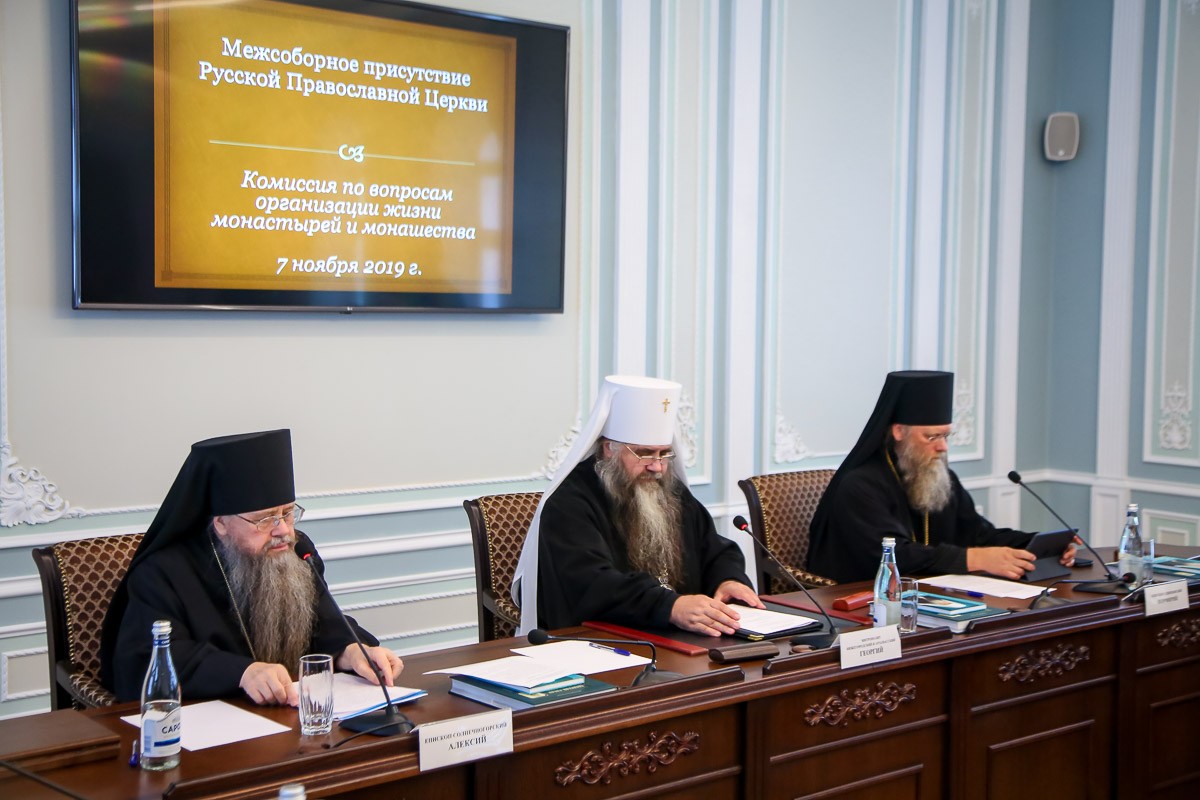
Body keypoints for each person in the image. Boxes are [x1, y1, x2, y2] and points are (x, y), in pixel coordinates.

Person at [99, 429, 403, 705]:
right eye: (265, 519)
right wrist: (242, 672)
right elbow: (150, 660)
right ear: (221, 523)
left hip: (291, 715)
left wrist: (351, 649)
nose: (283, 530)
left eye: (287, 513)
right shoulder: (163, 572)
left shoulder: (297, 552)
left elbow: (321, 621)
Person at [513, 375, 762, 637]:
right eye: (644, 454)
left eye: (664, 454)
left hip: (679, 635)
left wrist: (729, 579)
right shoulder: (569, 503)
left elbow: (715, 550)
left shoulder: (668, 492)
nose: (657, 467)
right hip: (602, 641)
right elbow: (592, 584)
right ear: (609, 448)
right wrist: (670, 606)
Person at [807, 370, 1075, 583]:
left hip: (931, 593)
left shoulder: (938, 477)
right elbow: (893, 555)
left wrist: (1038, 546)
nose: (943, 447)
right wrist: (974, 559)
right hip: (867, 600)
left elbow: (979, 535)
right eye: (932, 437)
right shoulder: (859, 484)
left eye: (946, 435)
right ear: (899, 431)